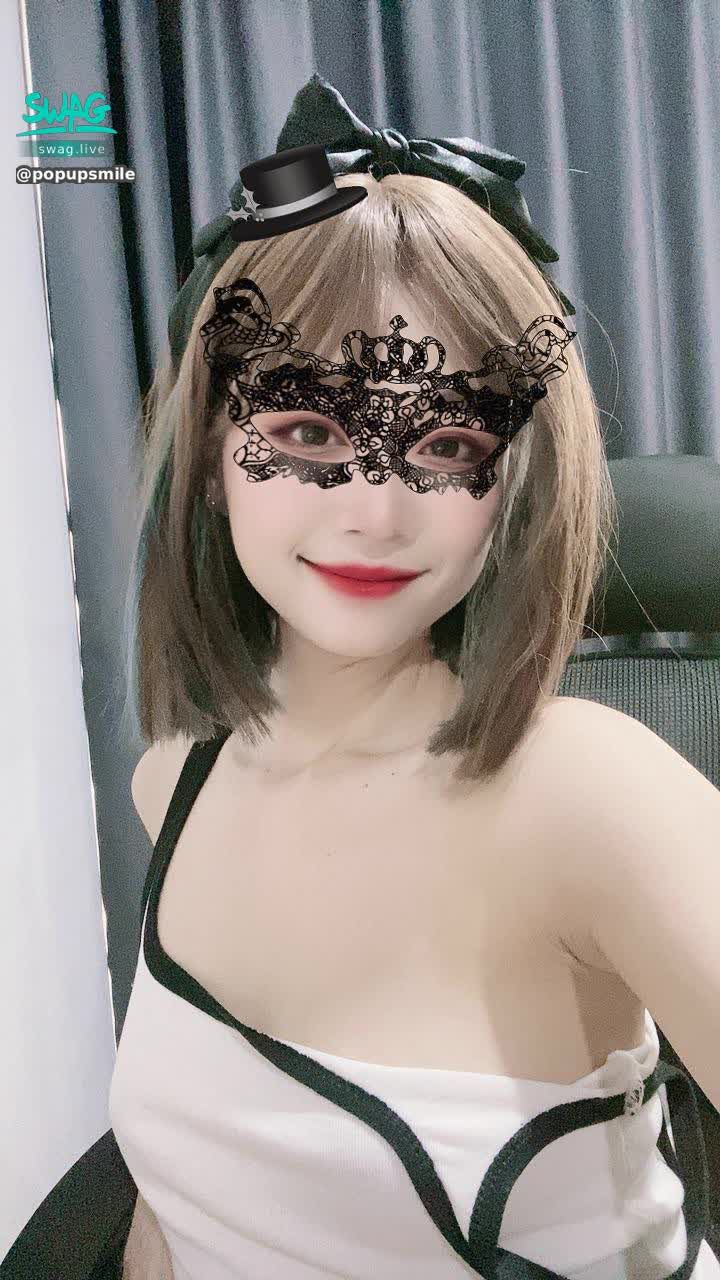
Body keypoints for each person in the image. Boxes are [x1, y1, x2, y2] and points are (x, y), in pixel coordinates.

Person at [111, 76, 715, 1280]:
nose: (377, 512)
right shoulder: (172, 780)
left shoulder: (592, 797)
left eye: (446, 443)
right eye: (308, 432)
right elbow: (182, 1211)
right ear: (213, 454)